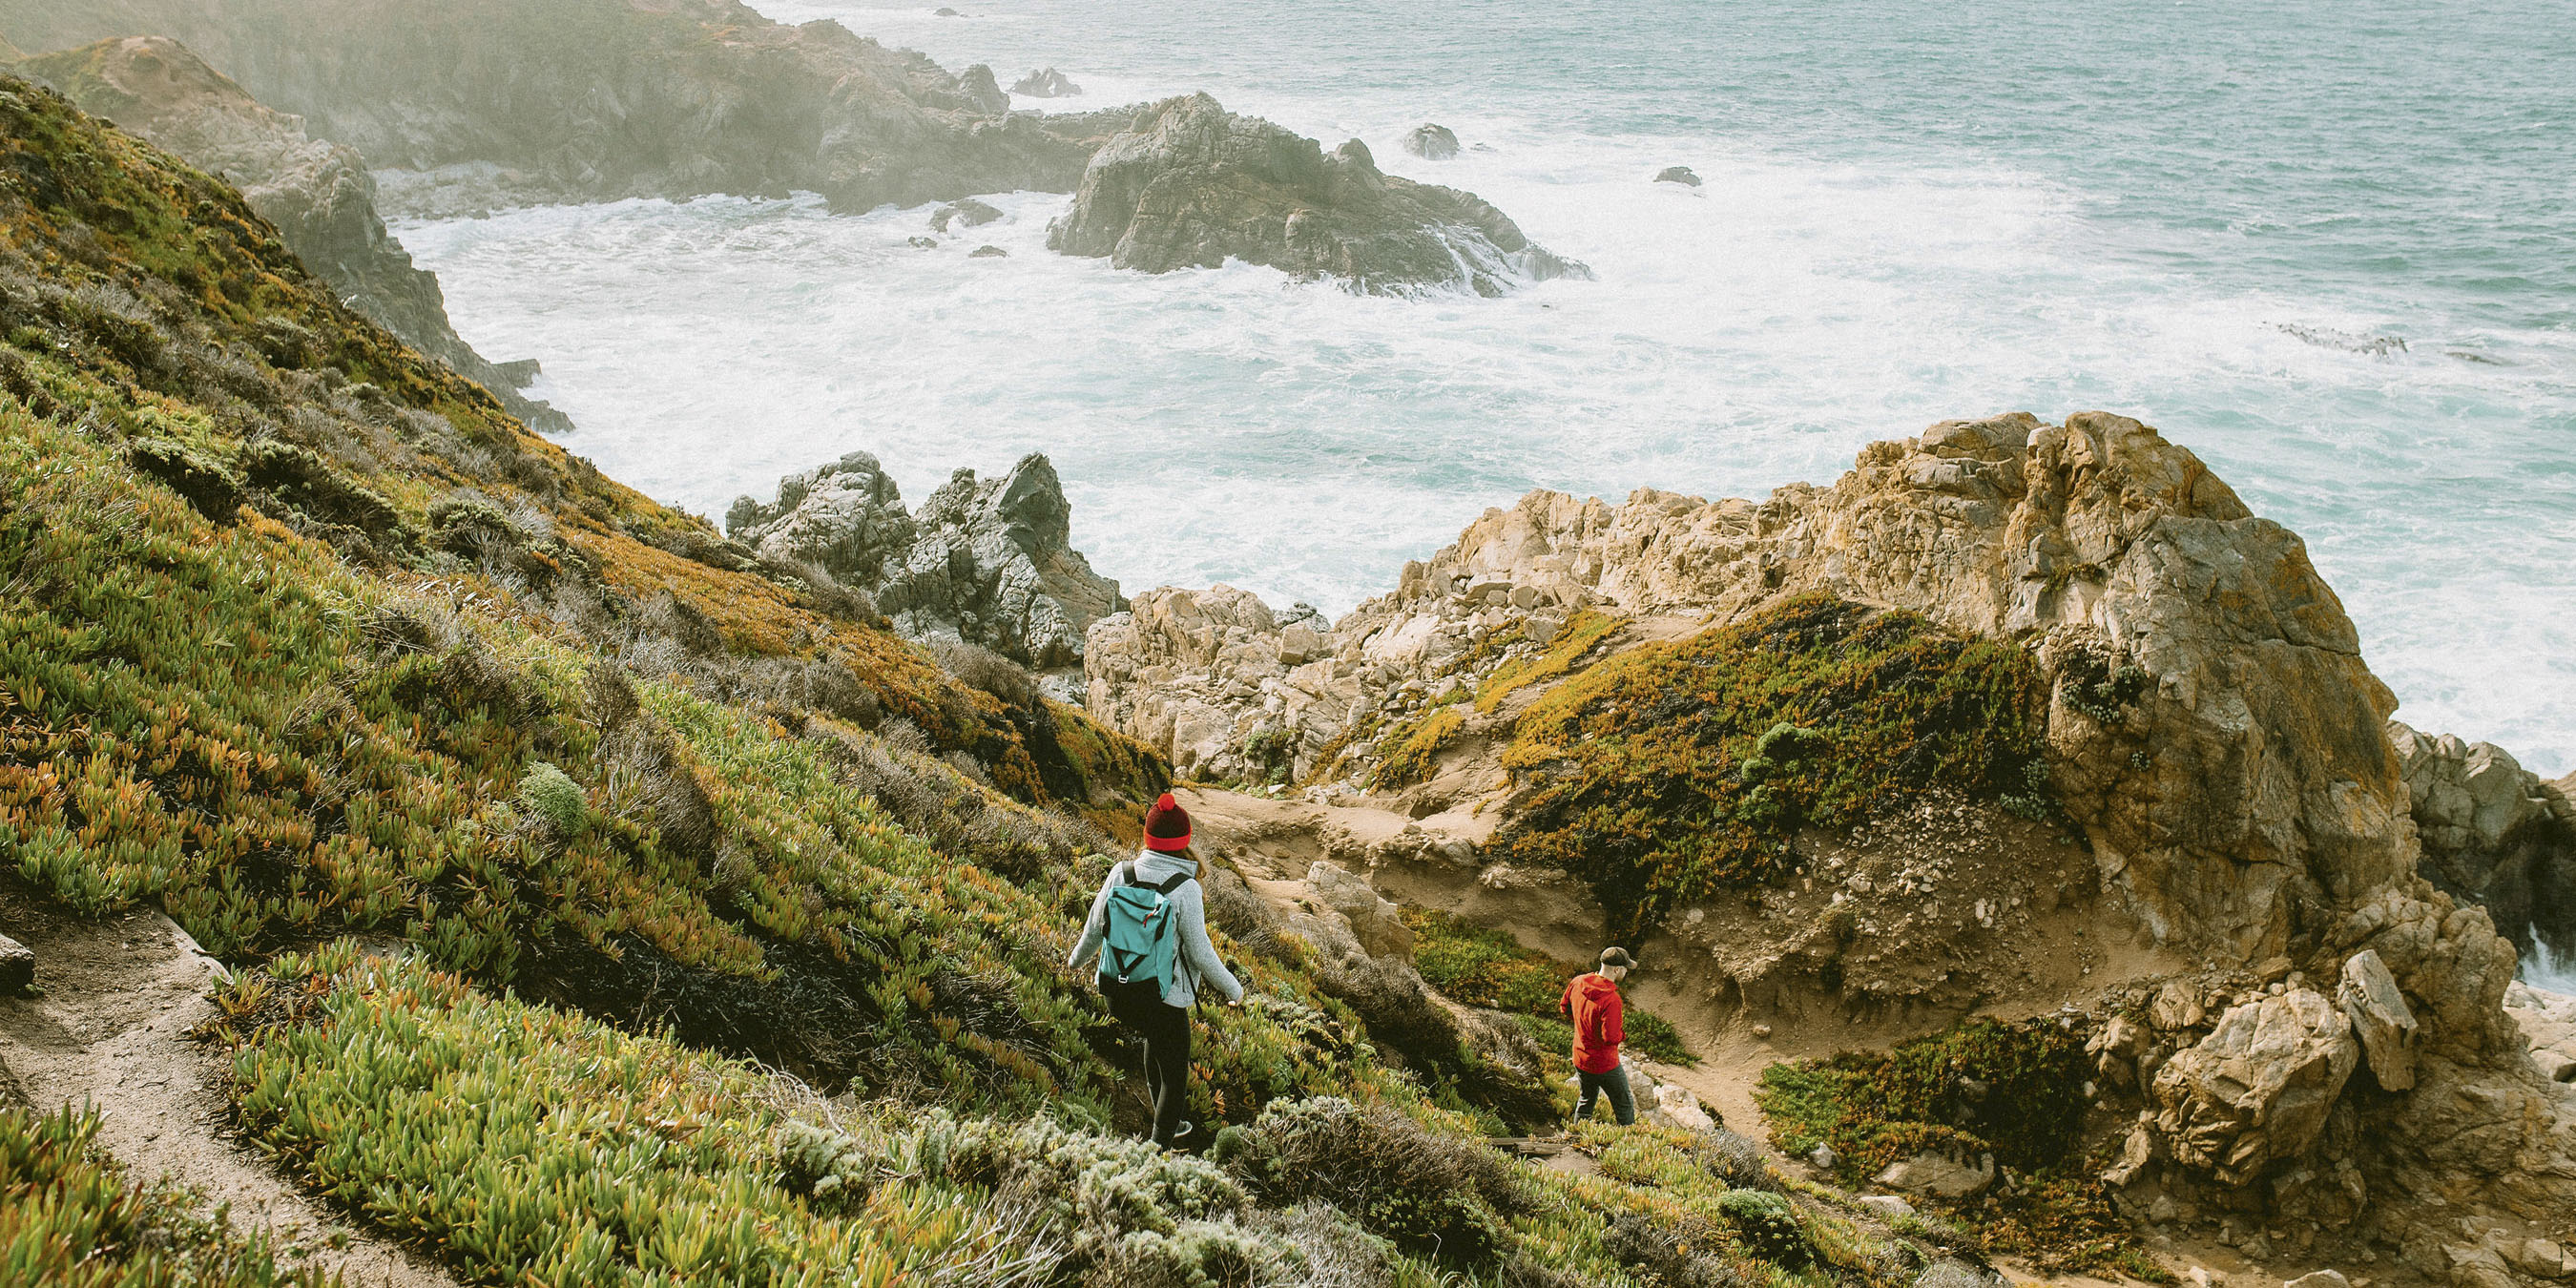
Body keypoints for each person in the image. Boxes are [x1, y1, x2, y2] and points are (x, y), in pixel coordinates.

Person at [1068, 792, 1243, 1147]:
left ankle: (1165, 1126)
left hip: (1117, 993)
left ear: (1148, 838)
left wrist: (1075, 961)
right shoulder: (1186, 888)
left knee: (1154, 1037)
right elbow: (1201, 953)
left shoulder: (1122, 872)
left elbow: (1094, 926)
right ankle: (1157, 1151)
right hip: (1161, 998)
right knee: (1174, 1078)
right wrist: (1233, 989)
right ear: (1184, 841)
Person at [1561, 946, 1637, 1126]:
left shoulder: (1578, 982)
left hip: (1580, 1058)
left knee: (1586, 1100)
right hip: (1605, 1064)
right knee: (1624, 1105)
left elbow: (1564, 1007)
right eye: (1625, 968)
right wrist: (1623, 1035)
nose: (1626, 972)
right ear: (1617, 969)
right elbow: (1610, 1037)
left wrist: (1583, 1022)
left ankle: (1577, 1134)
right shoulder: (1612, 999)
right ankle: (1629, 1144)